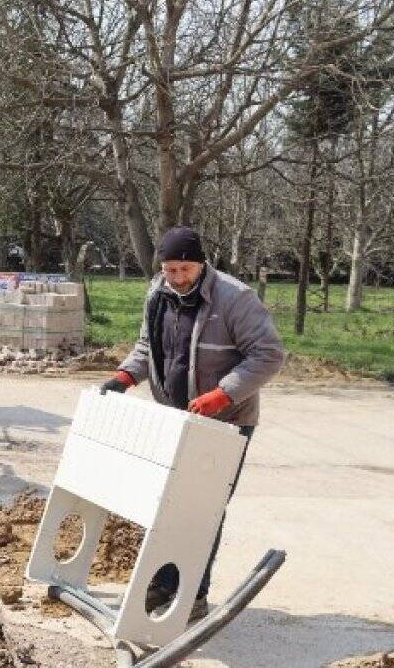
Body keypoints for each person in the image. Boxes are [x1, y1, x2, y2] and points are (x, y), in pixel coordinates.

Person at [101, 226, 284, 621]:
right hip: (175, 418)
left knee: (202, 509)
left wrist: (225, 393)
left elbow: (269, 354)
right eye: (170, 270)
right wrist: (126, 376)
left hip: (225, 423)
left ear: (201, 264)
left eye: (185, 269)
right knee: (166, 504)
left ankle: (193, 595)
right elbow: (149, 346)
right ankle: (163, 585)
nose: (178, 278)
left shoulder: (235, 298)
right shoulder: (158, 293)